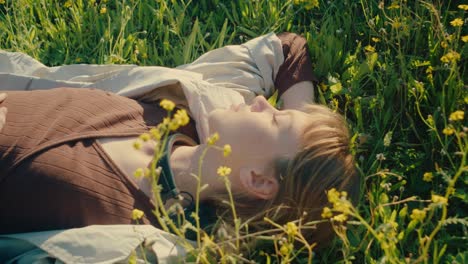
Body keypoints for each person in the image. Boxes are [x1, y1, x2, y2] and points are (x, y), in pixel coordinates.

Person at [0, 32, 359, 261]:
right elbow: (287, 49)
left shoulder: (135, 235)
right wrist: (302, 134)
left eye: (275, 119)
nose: (264, 104)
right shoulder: (187, 111)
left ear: (259, 181)